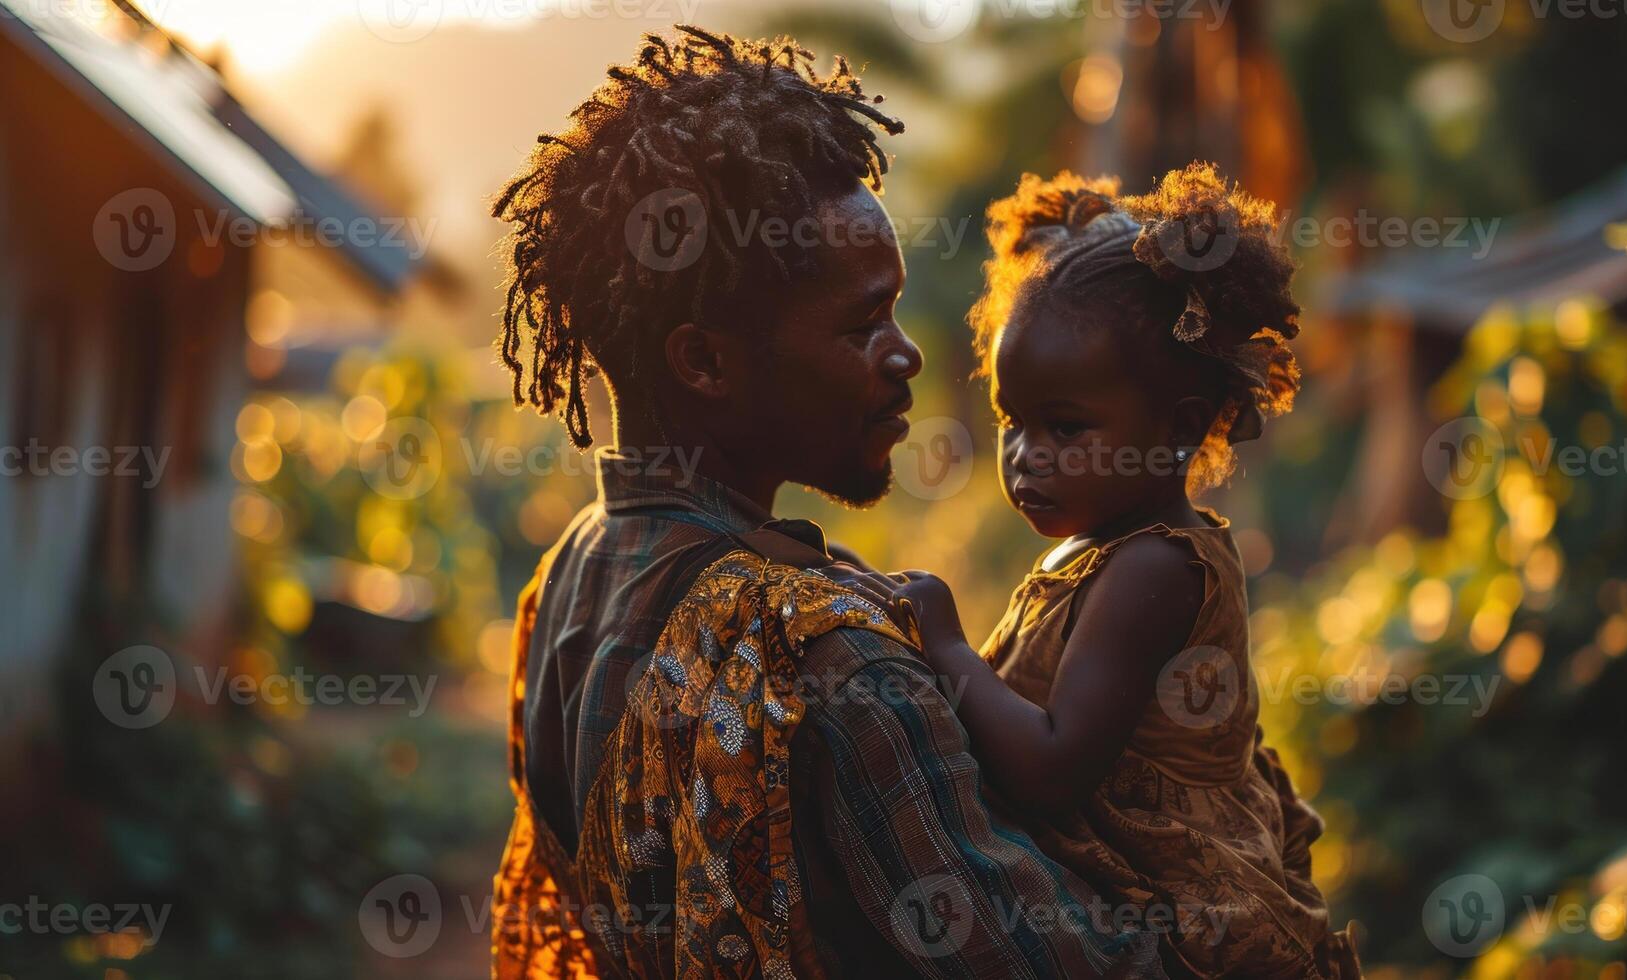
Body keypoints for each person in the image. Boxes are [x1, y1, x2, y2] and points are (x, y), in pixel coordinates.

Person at [487, 26, 1171, 979]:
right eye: (861, 324)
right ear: (704, 361)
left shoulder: (567, 577)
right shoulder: (828, 661)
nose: (907, 354)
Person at [890, 167, 1364, 978]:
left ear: (1177, 428)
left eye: (1065, 427)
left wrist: (948, 648)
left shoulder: (1154, 567)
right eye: (1013, 421)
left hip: (1189, 937)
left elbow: (1049, 769)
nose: (1024, 455)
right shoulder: (1095, 546)